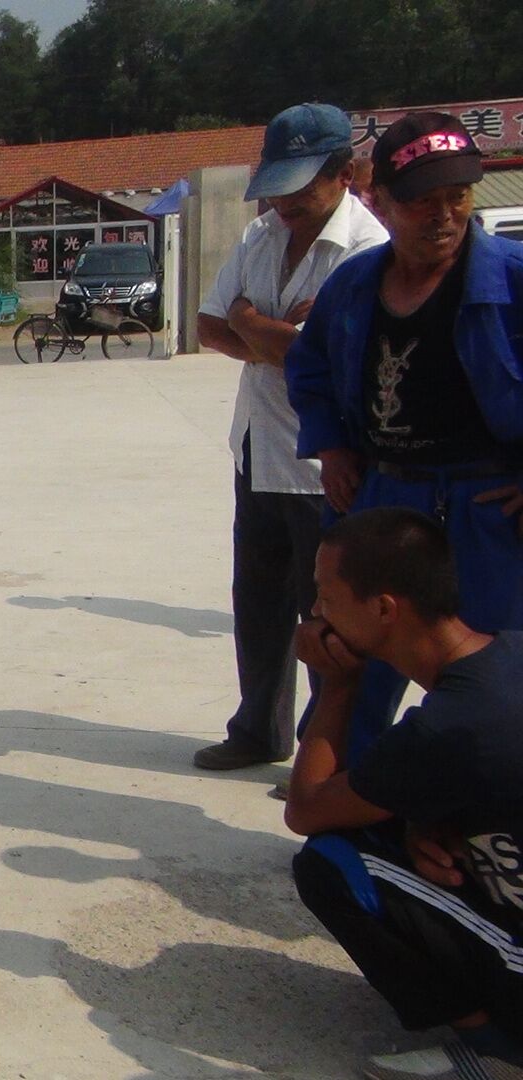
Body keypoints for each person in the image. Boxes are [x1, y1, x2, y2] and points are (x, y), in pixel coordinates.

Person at [287, 111, 523, 767]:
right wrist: (332, 446)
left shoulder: (513, 279)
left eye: (458, 197)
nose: (443, 216)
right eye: (422, 201)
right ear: (381, 200)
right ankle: (343, 805)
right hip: (384, 500)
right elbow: (309, 370)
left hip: (490, 510)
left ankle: (488, 815)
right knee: (351, 664)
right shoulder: (354, 285)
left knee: (500, 680)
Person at [285, 508, 523, 1080]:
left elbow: (307, 809)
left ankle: (497, 1050)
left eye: (326, 597)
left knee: (332, 863)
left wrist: (338, 685)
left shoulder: (445, 728)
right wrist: (424, 819)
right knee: (393, 825)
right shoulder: (509, 657)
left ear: (385, 609)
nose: (316, 613)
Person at [192, 103, 389, 776]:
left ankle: (328, 753)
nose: (285, 205)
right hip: (257, 447)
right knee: (258, 603)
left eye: (300, 190)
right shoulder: (261, 235)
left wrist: (251, 321)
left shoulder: (366, 250)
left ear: (345, 174)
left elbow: (321, 356)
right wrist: (270, 332)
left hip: (326, 464)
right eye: (277, 190)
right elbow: (209, 326)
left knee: (330, 615)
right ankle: (258, 729)